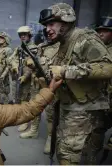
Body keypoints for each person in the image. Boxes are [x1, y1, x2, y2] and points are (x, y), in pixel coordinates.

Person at [38, 3, 112, 164]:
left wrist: (66, 71)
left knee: (68, 153)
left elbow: (108, 67)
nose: (47, 29)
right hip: (68, 105)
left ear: (65, 21)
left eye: (51, 24)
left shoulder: (85, 39)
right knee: (65, 150)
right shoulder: (62, 43)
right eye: (46, 25)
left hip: (85, 108)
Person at [9, 26, 37, 132]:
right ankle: (21, 118)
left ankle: (26, 122)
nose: (22, 37)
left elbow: (35, 65)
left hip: (30, 80)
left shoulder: (33, 48)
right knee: (20, 98)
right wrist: (15, 66)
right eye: (20, 35)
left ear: (29, 35)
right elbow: (11, 58)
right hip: (19, 77)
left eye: (24, 34)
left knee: (27, 100)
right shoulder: (19, 48)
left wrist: (25, 76)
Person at [95, 16, 112, 163]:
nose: (100, 34)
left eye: (105, 31)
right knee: (98, 130)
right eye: (99, 31)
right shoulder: (97, 49)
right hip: (102, 99)